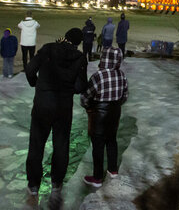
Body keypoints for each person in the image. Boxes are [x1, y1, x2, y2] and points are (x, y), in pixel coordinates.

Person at [25, 28, 88, 198]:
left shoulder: (48, 49)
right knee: (61, 145)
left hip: (42, 104)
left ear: (65, 36)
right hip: (63, 107)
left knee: (37, 144)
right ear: (78, 43)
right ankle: (56, 183)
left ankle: (33, 185)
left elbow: (30, 69)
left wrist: (37, 85)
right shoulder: (80, 58)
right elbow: (80, 86)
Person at [81, 46, 128, 188]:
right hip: (114, 113)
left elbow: (85, 97)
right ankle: (113, 170)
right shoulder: (121, 75)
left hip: (99, 115)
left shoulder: (98, 76)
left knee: (98, 145)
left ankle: (97, 178)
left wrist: (88, 107)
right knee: (112, 140)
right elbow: (125, 96)